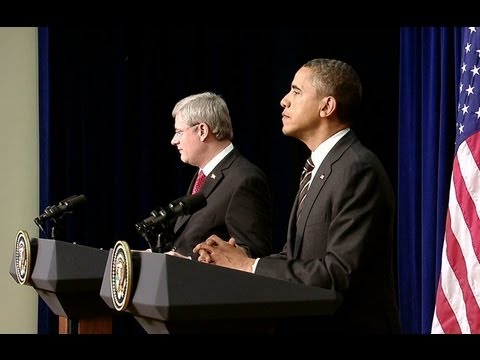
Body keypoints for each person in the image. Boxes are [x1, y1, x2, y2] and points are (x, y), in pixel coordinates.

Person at [194, 59, 401, 334]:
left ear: (326, 106)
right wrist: (236, 258)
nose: (284, 101)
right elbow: (296, 257)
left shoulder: (357, 168)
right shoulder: (319, 168)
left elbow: (339, 272)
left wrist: (250, 266)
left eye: (296, 91)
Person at [166, 91, 272, 260]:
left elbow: (251, 255)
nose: (174, 140)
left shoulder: (245, 179)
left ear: (202, 130)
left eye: (179, 132)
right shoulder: (203, 175)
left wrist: (187, 262)